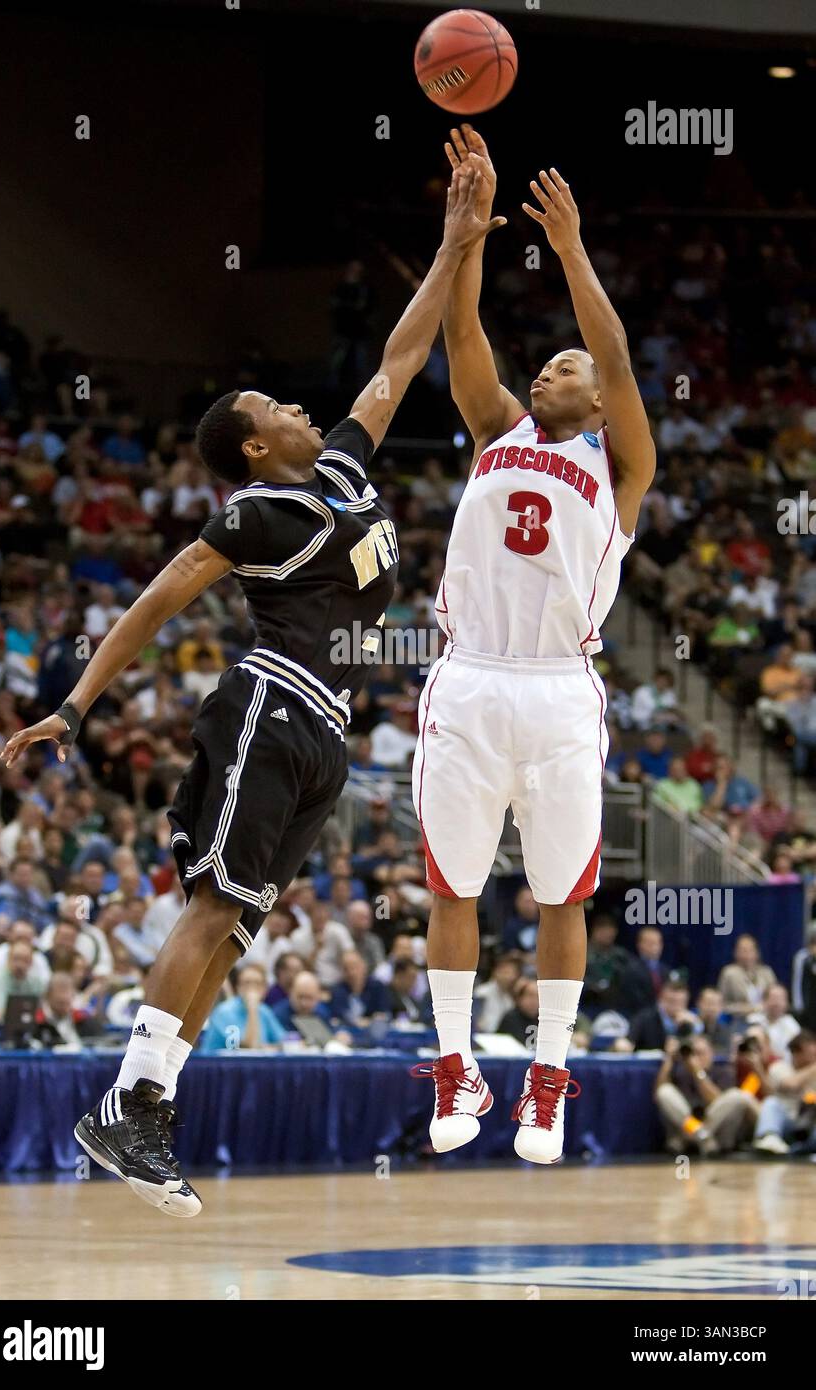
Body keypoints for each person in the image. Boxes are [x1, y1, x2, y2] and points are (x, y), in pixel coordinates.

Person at [0, 168, 503, 1218]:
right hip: (268, 706)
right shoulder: (257, 513)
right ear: (254, 448)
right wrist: (77, 705)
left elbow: (402, 355)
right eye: (275, 406)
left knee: (236, 933)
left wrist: (456, 239)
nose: (297, 403)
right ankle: (124, 1101)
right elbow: (157, 600)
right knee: (212, 903)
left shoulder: (347, 467)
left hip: (327, 734)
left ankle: (148, 1113)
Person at [410, 127, 655, 1163]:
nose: (551, 364)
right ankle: (458, 1062)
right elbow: (458, 330)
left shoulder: (622, 462)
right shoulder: (493, 428)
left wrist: (568, 248)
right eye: (544, 359)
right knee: (448, 888)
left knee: (563, 894)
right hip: (467, 679)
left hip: (559, 689)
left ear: (595, 402)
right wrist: (464, 227)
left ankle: (547, 1076)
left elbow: (611, 351)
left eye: (568, 364)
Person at [654, 1034, 759, 1156]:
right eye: (693, 1053)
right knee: (665, 1091)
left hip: (714, 1137)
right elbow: (658, 1092)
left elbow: (717, 1101)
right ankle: (700, 1134)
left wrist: (698, 1073)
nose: (697, 1058)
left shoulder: (723, 1071)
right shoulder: (680, 1071)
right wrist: (669, 1059)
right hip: (691, 1132)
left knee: (736, 1095)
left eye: (701, 1053)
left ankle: (700, 1134)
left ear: (711, 1053)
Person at [751, 1030, 816, 1155]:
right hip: (787, 1123)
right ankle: (769, 1137)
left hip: (812, 1127)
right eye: (810, 1051)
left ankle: (799, 1149)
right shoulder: (779, 1068)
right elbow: (791, 1084)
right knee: (771, 1103)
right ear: (796, 1053)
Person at [199, 963, 285, 1052]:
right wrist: (252, 1009)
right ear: (238, 988)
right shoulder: (224, 1011)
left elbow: (285, 1043)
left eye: (257, 983)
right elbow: (248, 1048)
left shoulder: (264, 1011)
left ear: (265, 989)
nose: (252, 988)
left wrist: (272, 1047)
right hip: (216, 1064)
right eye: (247, 983)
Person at [717, 934, 777, 1017]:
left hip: (766, 1017)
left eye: (750, 950)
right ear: (735, 953)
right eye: (743, 950)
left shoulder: (766, 972)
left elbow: (775, 997)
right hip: (739, 1019)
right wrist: (743, 1008)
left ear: (757, 953)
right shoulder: (729, 973)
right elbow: (721, 1003)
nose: (747, 954)